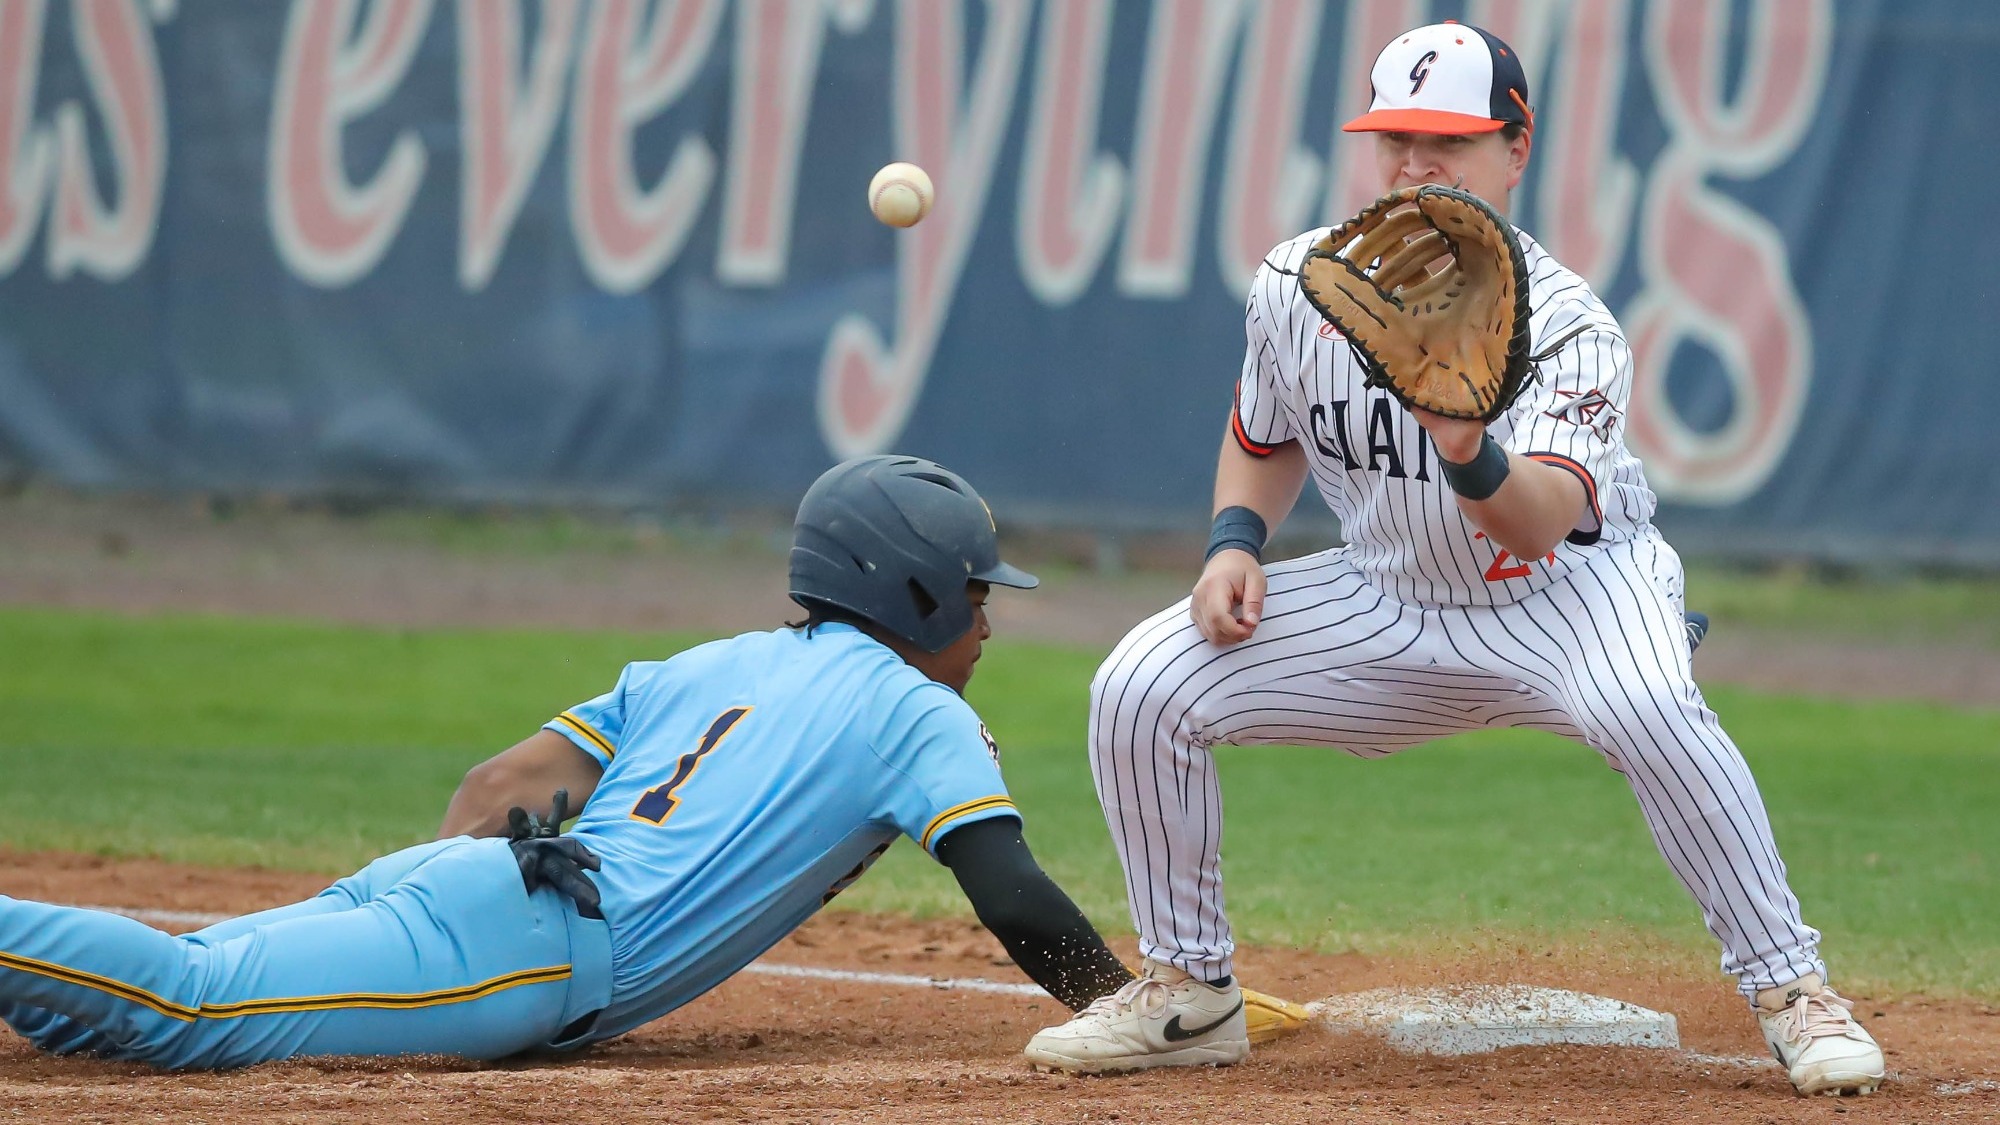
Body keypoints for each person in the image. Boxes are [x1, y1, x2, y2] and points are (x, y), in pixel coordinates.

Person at [1023, 22, 1886, 1097]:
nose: (1414, 163)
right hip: (1386, 594)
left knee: (1647, 706)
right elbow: (1262, 437)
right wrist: (1232, 544)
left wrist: (1465, 446)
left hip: (1574, 593)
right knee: (1141, 683)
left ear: (1515, 148)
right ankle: (1189, 991)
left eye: (1448, 140)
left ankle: (1792, 988)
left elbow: (1537, 526)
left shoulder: (1568, 323)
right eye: (1395, 139)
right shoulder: (1301, 282)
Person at [0, 455, 1136, 1068]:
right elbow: (1011, 894)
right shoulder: (917, 712)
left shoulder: (705, 662)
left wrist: (430, 906)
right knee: (185, 1002)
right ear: (915, 589)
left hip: (459, 882)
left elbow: (496, 791)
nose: (987, 621)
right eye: (976, 593)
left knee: (122, 1006)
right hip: (528, 947)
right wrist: (1124, 1008)